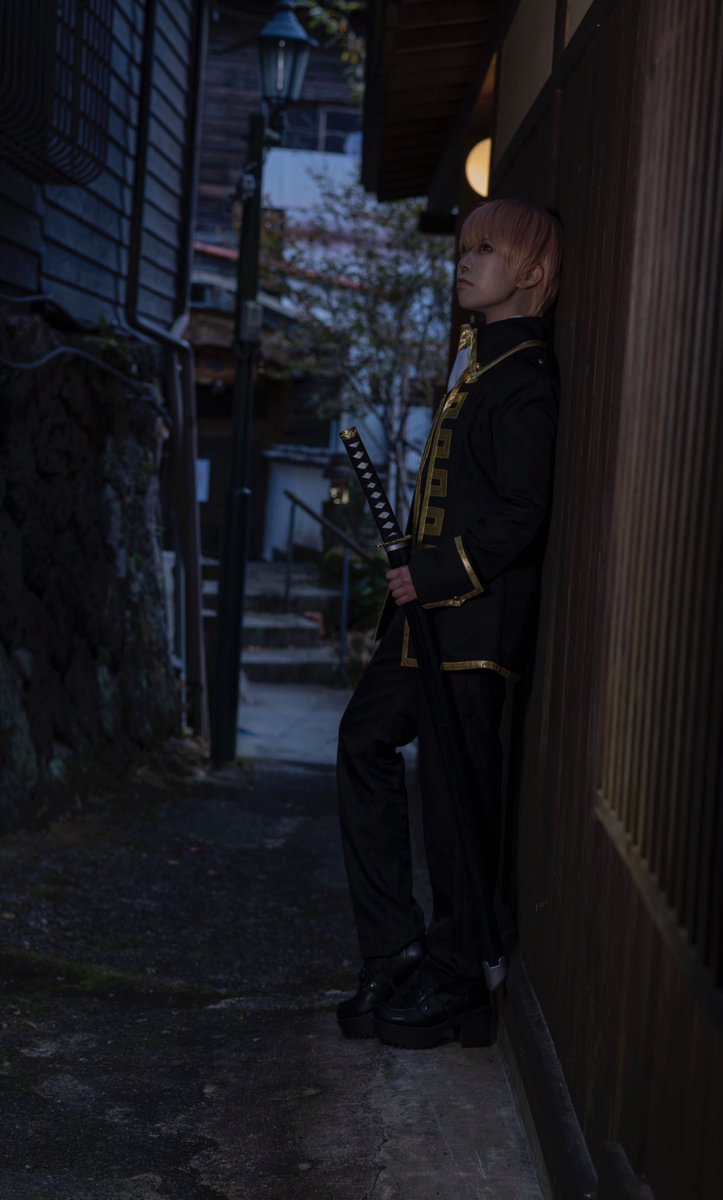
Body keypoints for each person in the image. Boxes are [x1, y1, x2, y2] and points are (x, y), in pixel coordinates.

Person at [336, 197, 563, 1049]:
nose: (464, 262)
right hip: (423, 622)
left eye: (486, 250)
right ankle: (395, 947)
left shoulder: (523, 379)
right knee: (362, 742)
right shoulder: (476, 363)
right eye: (463, 247)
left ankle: (458, 971)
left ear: (531, 271)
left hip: (472, 626)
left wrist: (432, 573)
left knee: (455, 800)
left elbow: (520, 513)